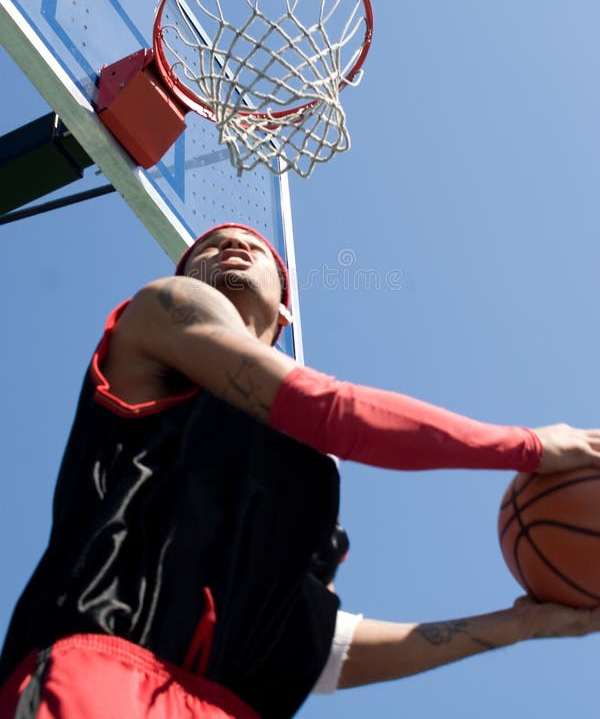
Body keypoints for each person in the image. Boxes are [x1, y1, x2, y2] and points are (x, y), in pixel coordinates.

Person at [1, 222, 599, 719]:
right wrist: (528, 446)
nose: (232, 246)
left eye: (255, 248)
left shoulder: (306, 479)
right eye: (209, 246)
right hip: (106, 678)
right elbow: (331, 409)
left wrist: (517, 626)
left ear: (286, 310)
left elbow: (321, 650)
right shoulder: (166, 308)